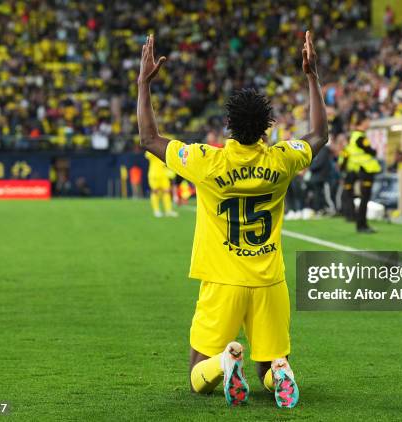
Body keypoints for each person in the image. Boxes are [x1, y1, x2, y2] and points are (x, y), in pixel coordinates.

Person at [136, 33, 328, 408]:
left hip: (223, 281)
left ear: (229, 126)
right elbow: (320, 134)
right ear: (267, 126)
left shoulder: (207, 161)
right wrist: (312, 76)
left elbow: (149, 138)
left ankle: (226, 362)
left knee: (197, 374)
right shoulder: (282, 159)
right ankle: (279, 375)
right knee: (268, 366)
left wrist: (144, 84)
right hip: (269, 280)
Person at [340, 113, 381, 233]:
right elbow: (371, 152)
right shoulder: (360, 137)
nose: (369, 123)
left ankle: (359, 221)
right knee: (364, 198)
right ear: (362, 122)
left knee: (360, 196)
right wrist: (373, 151)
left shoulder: (355, 136)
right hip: (365, 169)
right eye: (367, 121)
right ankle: (361, 225)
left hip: (360, 169)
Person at [145, 150, 177, 217]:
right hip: (154, 175)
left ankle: (168, 210)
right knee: (155, 192)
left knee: (166, 192)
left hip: (163, 175)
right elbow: (147, 155)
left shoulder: (164, 151)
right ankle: (156, 211)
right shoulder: (151, 150)